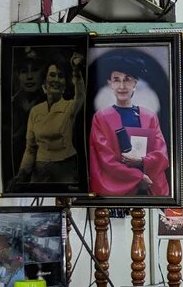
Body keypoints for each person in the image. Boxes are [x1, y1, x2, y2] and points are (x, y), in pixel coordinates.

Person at [88, 50, 170, 197]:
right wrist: (138, 178)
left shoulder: (149, 117)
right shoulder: (101, 118)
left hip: (148, 187)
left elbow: (161, 154)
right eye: (116, 80)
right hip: (118, 189)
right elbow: (104, 159)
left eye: (127, 80)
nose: (122, 86)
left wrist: (141, 161)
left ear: (135, 84)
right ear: (110, 84)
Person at [15, 51, 86, 186]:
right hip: (40, 172)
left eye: (60, 76)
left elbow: (80, 94)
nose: (56, 80)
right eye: (52, 75)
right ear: (44, 81)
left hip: (65, 170)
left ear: (65, 83)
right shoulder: (36, 111)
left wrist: (76, 71)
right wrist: (22, 174)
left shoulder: (70, 106)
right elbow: (30, 149)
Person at [9, 47, 46, 169]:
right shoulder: (10, 105)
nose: (29, 76)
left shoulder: (51, 104)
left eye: (35, 70)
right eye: (24, 71)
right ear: (17, 75)